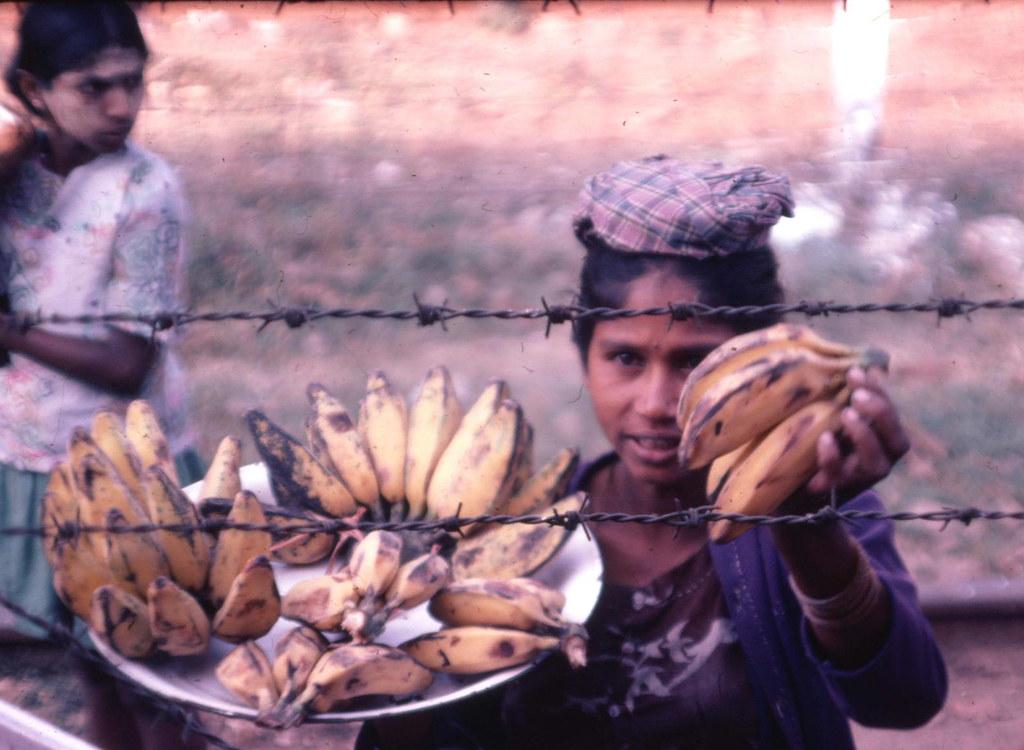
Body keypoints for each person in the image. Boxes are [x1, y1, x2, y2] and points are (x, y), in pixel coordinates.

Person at [357, 157, 947, 749]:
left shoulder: (815, 506)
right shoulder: (521, 536)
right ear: (585, 355)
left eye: (693, 361)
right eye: (626, 358)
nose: (658, 403)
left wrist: (806, 528)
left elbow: (902, 700)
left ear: (759, 363)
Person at [0, 4, 204, 748]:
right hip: (29, 454)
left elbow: (129, 361)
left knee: (149, 673)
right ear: (33, 88)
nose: (122, 106)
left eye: (134, 83)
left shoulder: (144, 191)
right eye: (94, 88)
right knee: (93, 664)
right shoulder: (13, 173)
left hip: (125, 468)